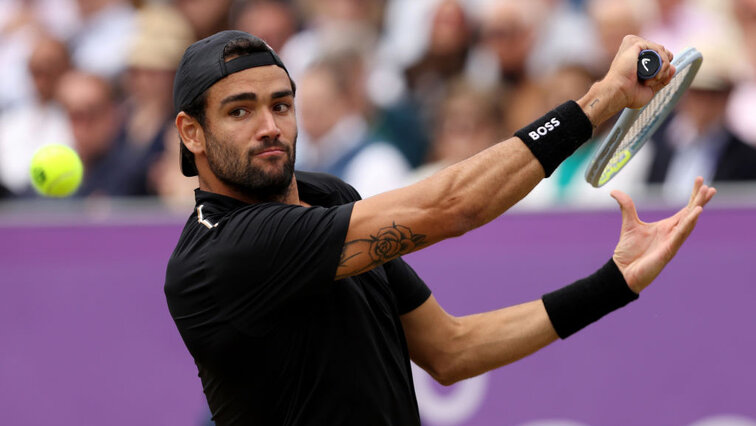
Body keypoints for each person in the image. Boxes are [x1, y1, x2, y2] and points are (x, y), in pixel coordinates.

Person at [164, 30, 716, 425]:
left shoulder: (326, 195)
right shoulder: (223, 253)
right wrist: (598, 103)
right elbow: (453, 207)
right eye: (239, 112)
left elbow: (451, 350)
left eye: (281, 105)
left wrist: (614, 282)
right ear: (192, 132)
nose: (269, 127)